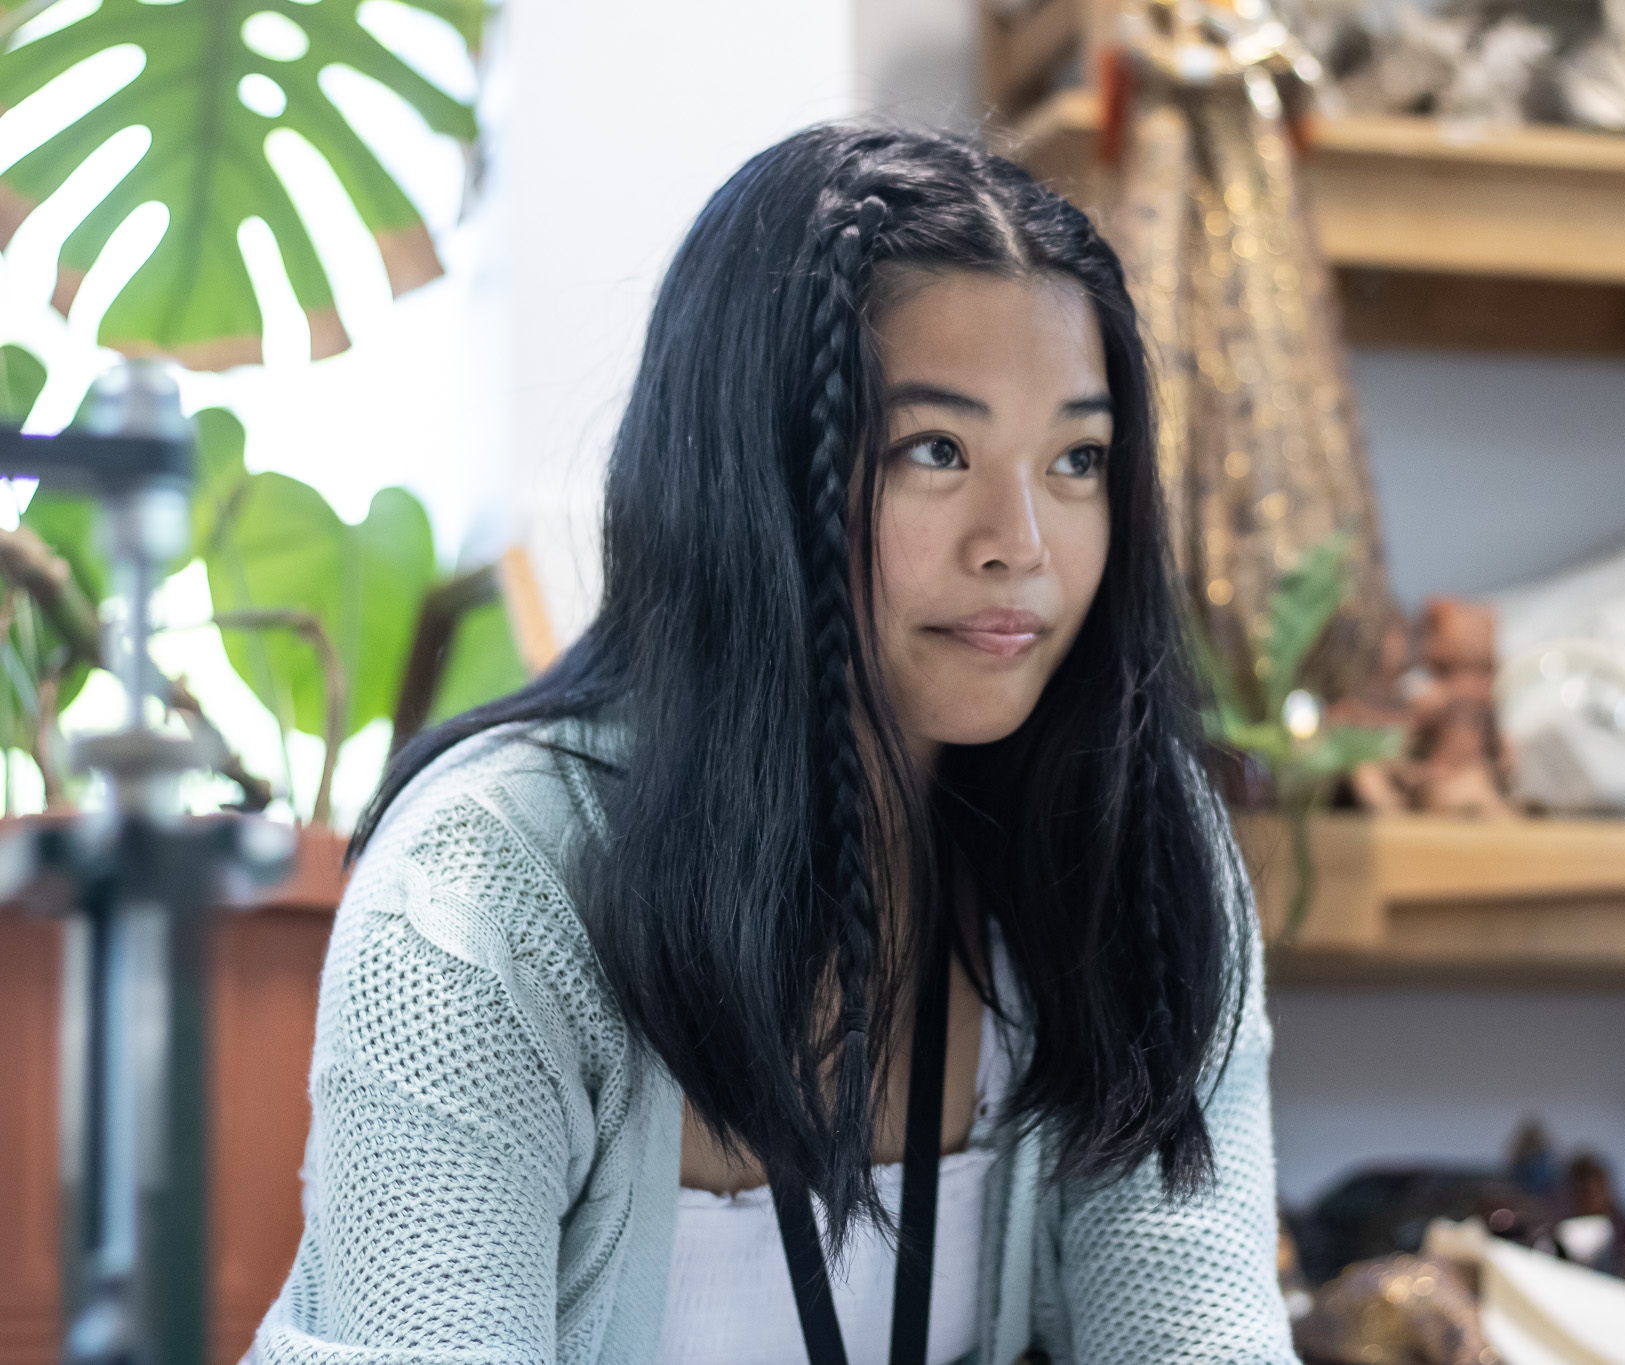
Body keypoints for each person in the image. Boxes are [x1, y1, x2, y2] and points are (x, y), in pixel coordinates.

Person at [254, 125, 1296, 1365]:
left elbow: (1194, 1336)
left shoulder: (1129, 850)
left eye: (1076, 458)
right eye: (936, 451)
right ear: (749, 476)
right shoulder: (482, 897)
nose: (1020, 540)